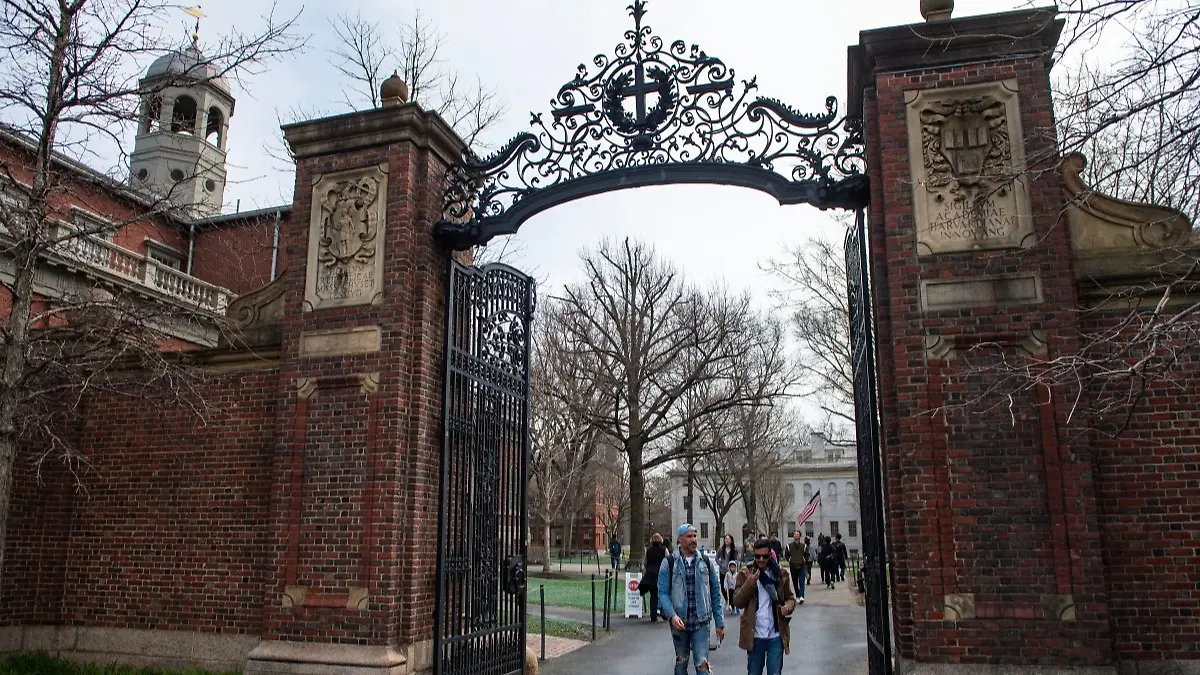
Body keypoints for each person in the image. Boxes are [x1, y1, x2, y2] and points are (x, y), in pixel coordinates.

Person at [658, 523, 725, 674]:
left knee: (702, 665)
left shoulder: (705, 562)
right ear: (680, 539)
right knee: (681, 663)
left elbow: (715, 592)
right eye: (689, 536)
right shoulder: (669, 562)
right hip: (680, 623)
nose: (693, 539)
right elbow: (662, 593)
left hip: (701, 622)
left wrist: (719, 622)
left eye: (695, 536)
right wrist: (672, 615)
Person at [732, 538, 797, 675]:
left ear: (770, 554)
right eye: (757, 556)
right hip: (755, 635)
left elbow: (790, 598)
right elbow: (737, 602)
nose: (761, 559)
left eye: (765, 556)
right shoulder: (746, 573)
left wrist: (788, 607)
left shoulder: (781, 574)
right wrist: (749, 584)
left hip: (776, 634)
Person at [640, 533, 669, 623]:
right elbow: (668, 560)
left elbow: (645, 563)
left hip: (650, 575)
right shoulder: (664, 549)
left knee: (653, 596)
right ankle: (664, 613)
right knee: (663, 594)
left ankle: (653, 616)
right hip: (661, 574)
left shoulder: (648, 550)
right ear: (661, 540)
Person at [783, 530, 808, 604]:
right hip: (793, 566)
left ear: (800, 536)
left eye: (797, 534)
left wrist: (804, 560)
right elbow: (786, 555)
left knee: (802, 582)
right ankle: (797, 595)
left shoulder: (804, 546)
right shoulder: (789, 546)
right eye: (794, 534)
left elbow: (807, 555)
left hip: (801, 566)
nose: (796, 535)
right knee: (795, 582)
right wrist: (790, 560)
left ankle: (801, 596)